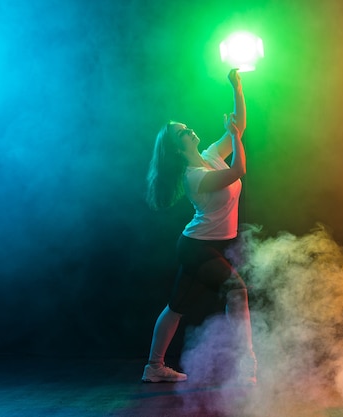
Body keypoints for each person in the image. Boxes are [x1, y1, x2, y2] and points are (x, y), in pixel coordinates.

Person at [142, 69, 256, 385]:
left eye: (187, 128)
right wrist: (233, 136)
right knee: (237, 290)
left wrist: (237, 87)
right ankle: (247, 365)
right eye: (182, 133)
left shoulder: (209, 156)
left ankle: (154, 367)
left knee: (177, 306)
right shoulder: (193, 177)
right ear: (178, 148)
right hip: (197, 247)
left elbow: (241, 125)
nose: (190, 131)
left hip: (207, 244)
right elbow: (239, 170)